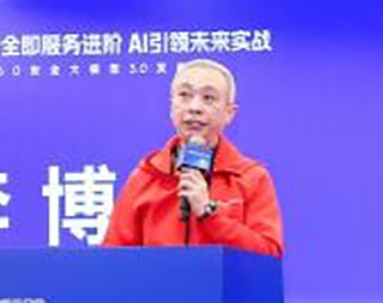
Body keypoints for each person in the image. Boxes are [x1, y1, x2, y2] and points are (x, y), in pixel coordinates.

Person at [101, 59, 283, 256]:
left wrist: (209, 213)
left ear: (229, 113)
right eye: (185, 95)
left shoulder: (251, 178)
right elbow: (112, 258)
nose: (194, 107)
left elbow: (268, 255)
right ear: (172, 107)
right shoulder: (145, 177)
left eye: (208, 98)